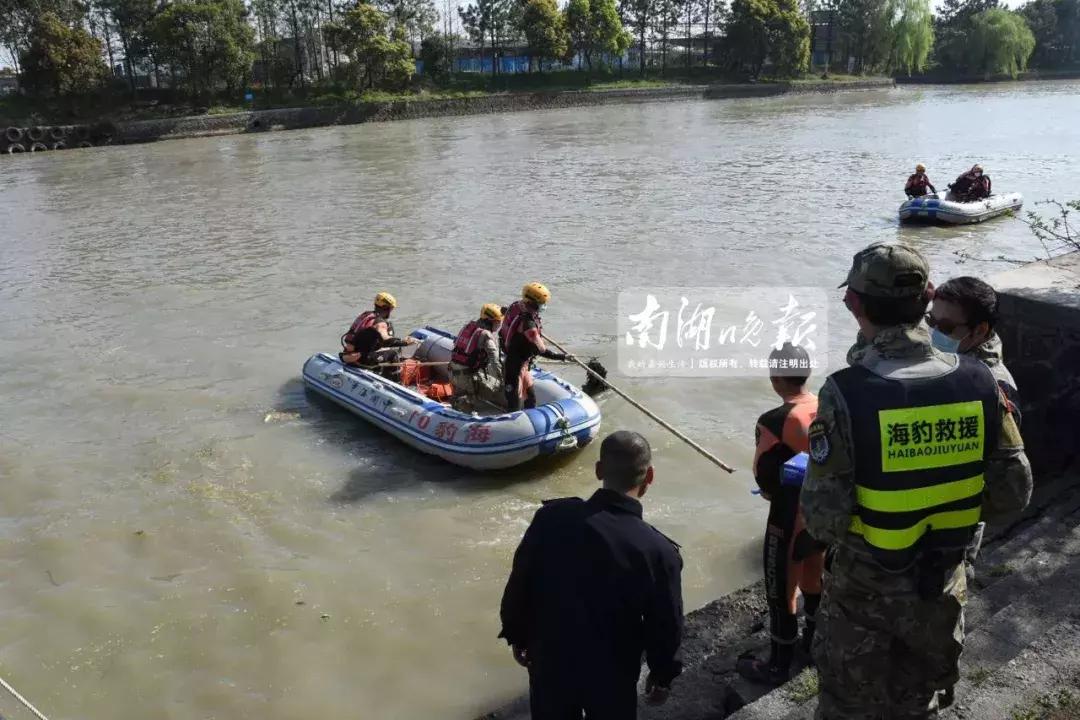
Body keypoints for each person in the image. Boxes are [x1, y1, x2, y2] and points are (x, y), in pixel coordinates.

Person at [800, 242, 1032, 719]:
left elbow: (824, 518)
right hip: (941, 586)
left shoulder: (846, 392)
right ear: (926, 297)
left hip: (864, 594)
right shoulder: (981, 382)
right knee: (920, 703)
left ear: (854, 303)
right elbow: (1014, 490)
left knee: (849, 707)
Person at [498, 430, 684, 720]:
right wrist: (663, 675)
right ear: (649, 477)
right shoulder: (657, 551)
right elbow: (666, 623)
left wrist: (516, 633)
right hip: (612, 672)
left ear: (598, 471)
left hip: (551, 661)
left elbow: (521, 580)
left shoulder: (550, 518)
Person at [736, 342, 824, 687]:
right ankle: (815, 645)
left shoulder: (775, 419)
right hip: (822, 508)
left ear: (776, 378)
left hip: (790, 512)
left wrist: (770, 489)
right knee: (815, 579)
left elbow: (763, 472)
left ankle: (777, 665)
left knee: (782, 590)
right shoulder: (825, 404)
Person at [928, 277, 1020, 423]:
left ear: (979, 330)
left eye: (946, 327)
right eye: (931, 321)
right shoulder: (947, 358)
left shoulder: (994, 387)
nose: (934, 332)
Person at [501, 282, 569, 410]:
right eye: (542, 303)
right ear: (533, 303)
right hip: (514, 365)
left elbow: (504, 311)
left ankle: (529, 418)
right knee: (514, 400)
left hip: (522, 363)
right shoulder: (529, 324)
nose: (544, 306)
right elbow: (541, 350)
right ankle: (514, 422)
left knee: (530, 397)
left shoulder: (516, 306)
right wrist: (563, 357)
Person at [340, 292, 417, 375]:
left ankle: (378, 369)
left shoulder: (365, 315)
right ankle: (395, 381)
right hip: (360, 360)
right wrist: (405, 342)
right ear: (387, 308)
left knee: (382, 351)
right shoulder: (380, 323)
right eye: (391, 309)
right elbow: (388, 341)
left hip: (346, 355)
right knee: (393, 354)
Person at [450, 303, 505, 412]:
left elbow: (456, 344)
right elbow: (495, 360)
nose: (499, 325)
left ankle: (457, 401)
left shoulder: (469, 326)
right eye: (499, 322)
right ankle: (462, 411)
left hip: (453, 369)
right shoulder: (486, 336)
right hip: (465, 375)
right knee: (468, 399)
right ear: (492, 321)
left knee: (462, 392)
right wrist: (502, 378)